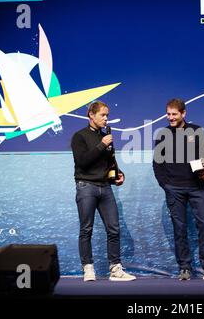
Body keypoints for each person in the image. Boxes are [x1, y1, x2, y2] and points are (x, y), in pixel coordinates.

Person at [153, 98, 204, 281]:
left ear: (183, 114)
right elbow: (157, 164)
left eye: (174, 114)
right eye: (168, 114)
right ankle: (184, 267)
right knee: (179, 228)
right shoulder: (162, 134)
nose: (170, 118)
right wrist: (165, 186)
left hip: (196, 188)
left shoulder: (197, 131)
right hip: (174, 190)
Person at [71, 100, 136, 282]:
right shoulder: (79, 136)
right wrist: (101, 145)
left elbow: (110, 163)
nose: (106, 118)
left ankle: (115, 270)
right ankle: (88, 268)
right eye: (103, 115)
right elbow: (82, 161)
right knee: (86, 229)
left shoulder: (106, 136)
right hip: (86, 186)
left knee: (114, 228)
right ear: (91, 115)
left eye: (107, 115)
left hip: (105, 187)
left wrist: (118, 174)